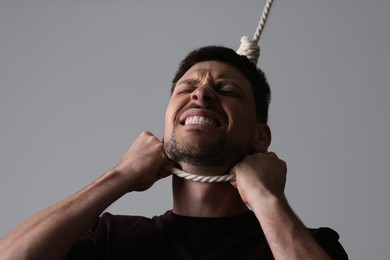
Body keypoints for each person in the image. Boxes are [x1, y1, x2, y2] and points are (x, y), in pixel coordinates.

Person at [0, 46, 348, 259]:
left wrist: (268, 201)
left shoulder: (311, 245)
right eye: (187, 87)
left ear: (261, 137)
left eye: (226, 90)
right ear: (168, 122)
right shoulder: (110, 240)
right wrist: (120, 177)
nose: (202, 95)